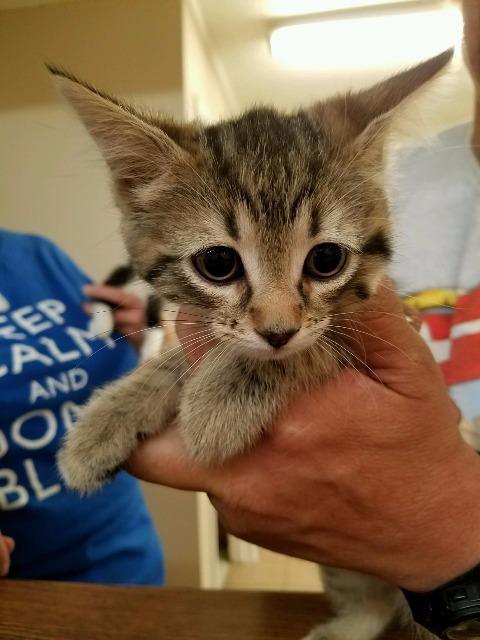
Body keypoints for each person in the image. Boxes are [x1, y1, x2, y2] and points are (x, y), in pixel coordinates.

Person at [127, 0, 480, 607]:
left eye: (323, 262)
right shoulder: (392, 176)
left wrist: (449, 533)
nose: (279, 321)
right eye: (221, 263)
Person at [0, 228, 164, 584]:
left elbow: (98, 356)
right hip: (23, 586)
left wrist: (137, 341)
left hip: (128, 556)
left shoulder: (35, 253)